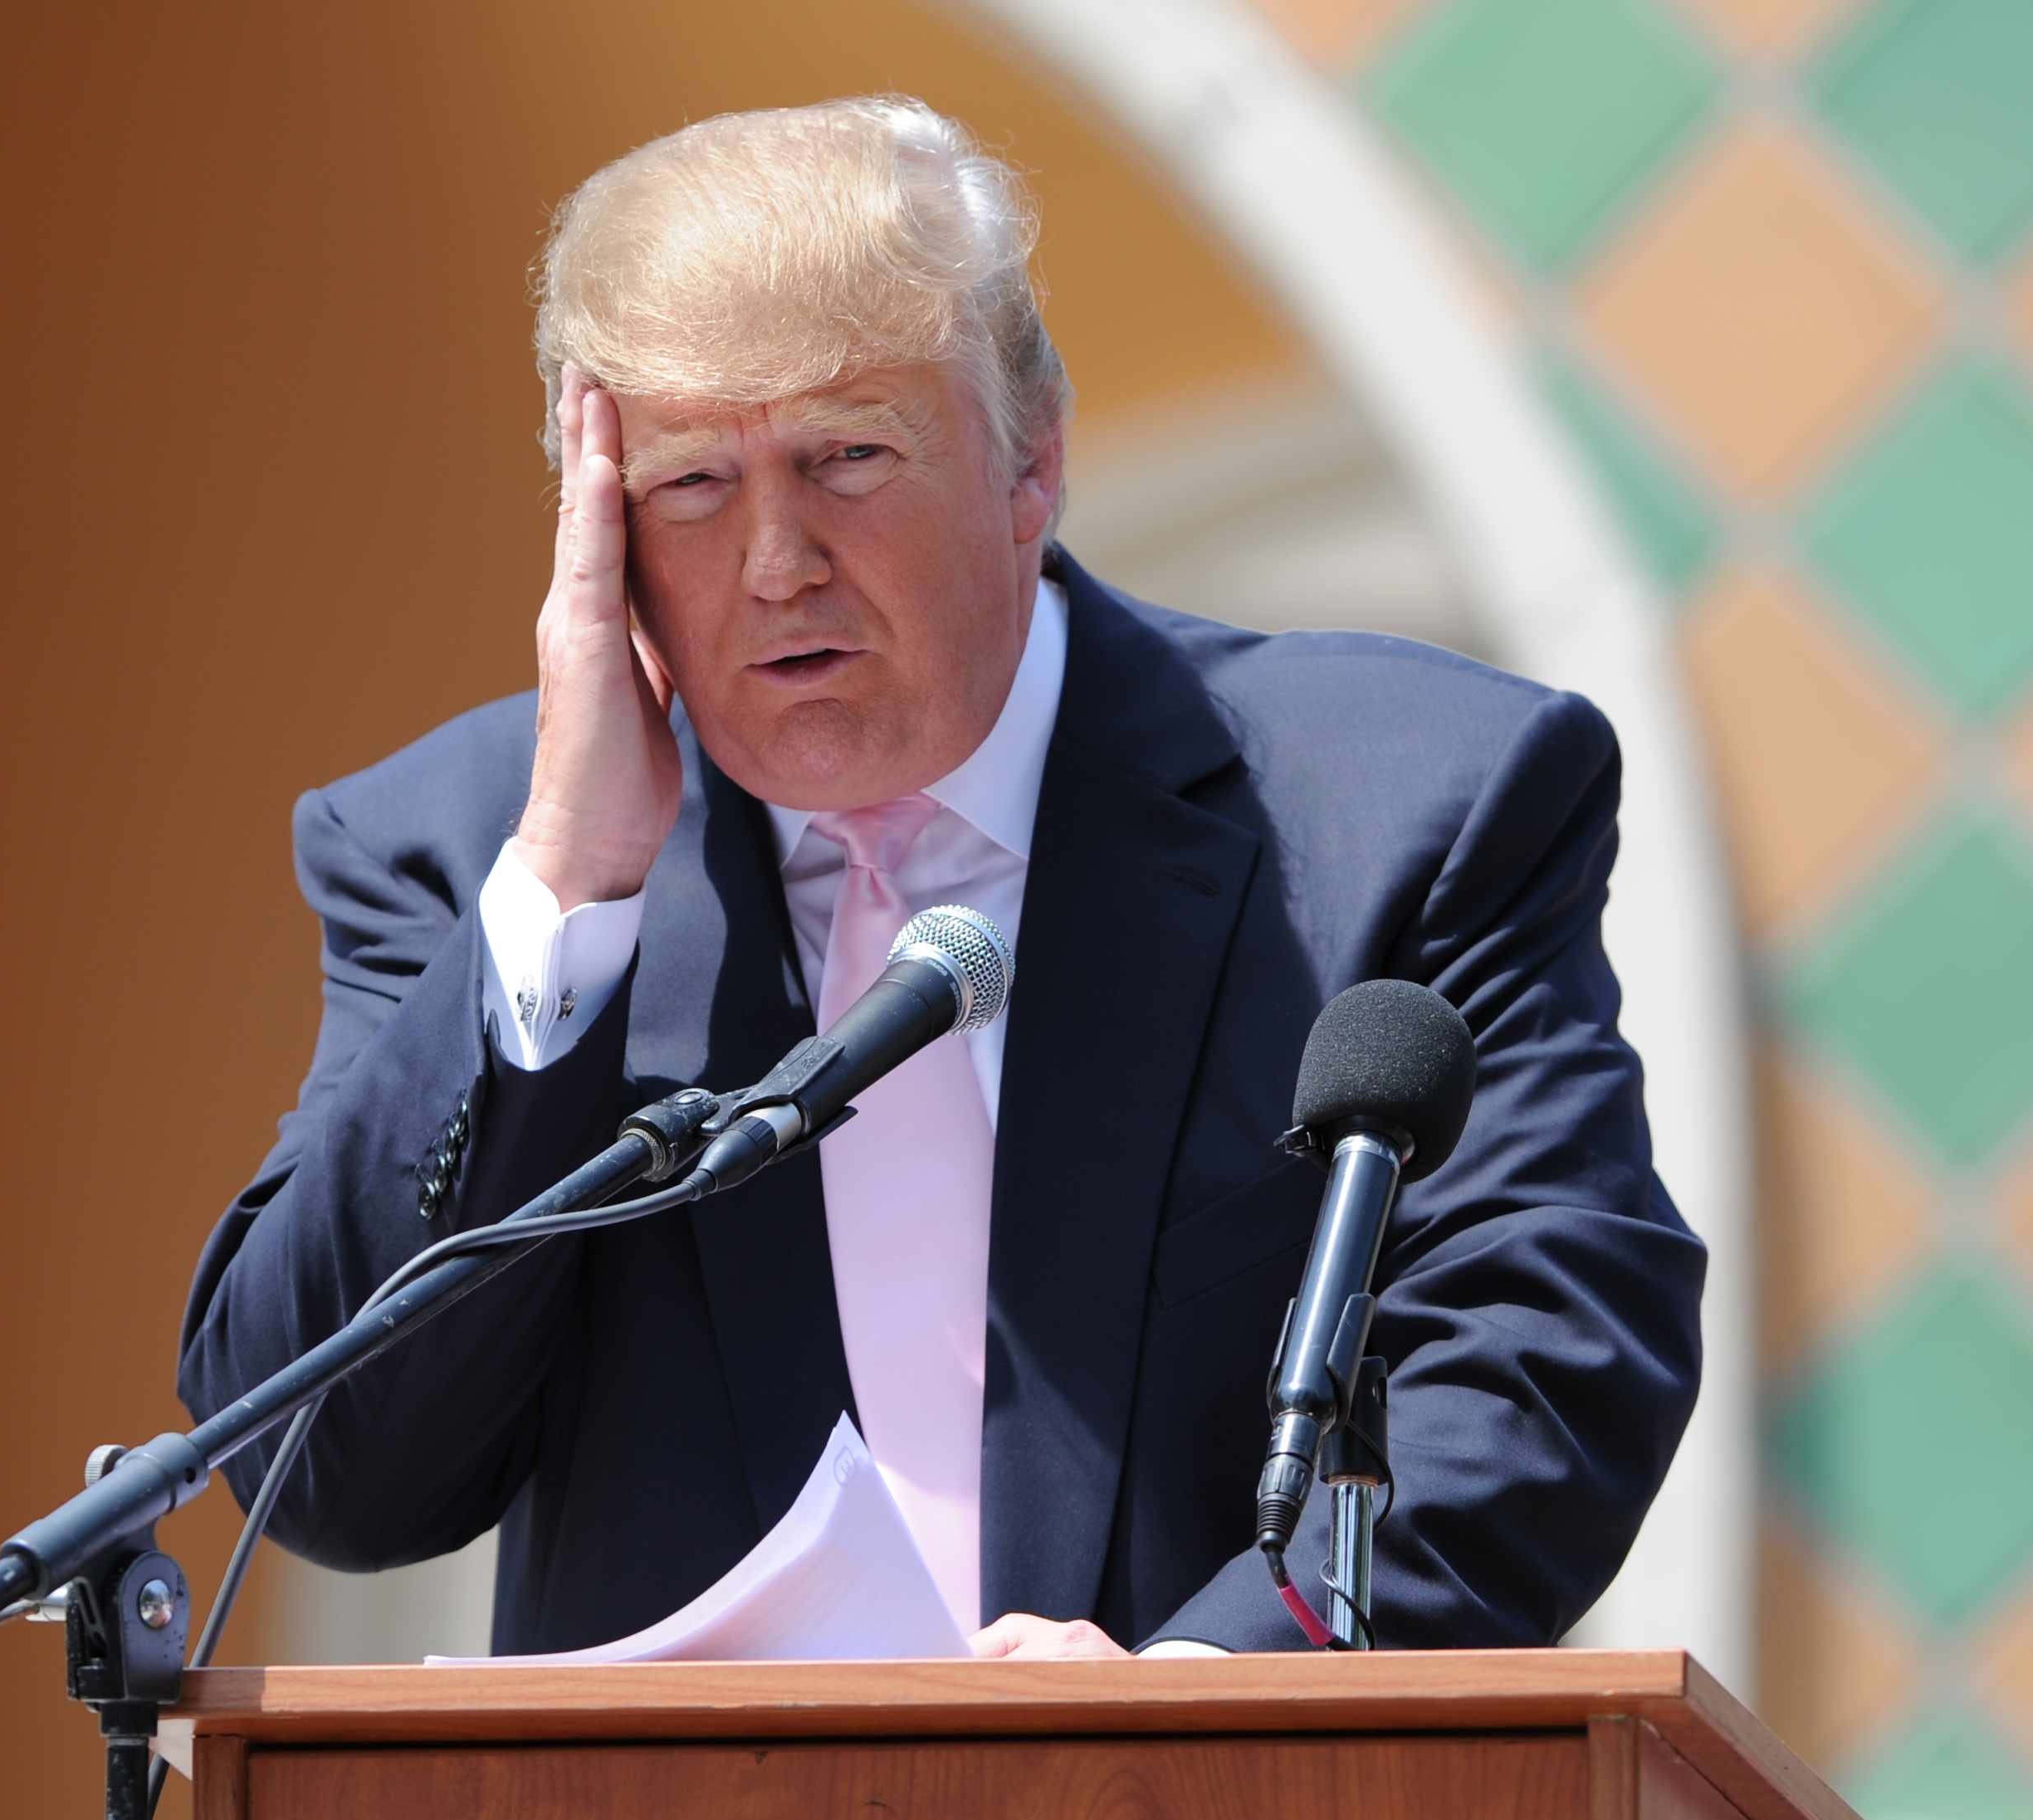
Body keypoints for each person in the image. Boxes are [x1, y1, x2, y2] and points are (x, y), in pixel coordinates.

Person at [176, 96, 1703, 1659]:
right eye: (691, 484)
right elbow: (337, 1477)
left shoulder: (1403, 808)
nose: (777, 561)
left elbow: (1540, 1354)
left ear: (1031, 458)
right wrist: (570, 884)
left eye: (849, 456)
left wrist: (1209, 1705)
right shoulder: (464, 848)